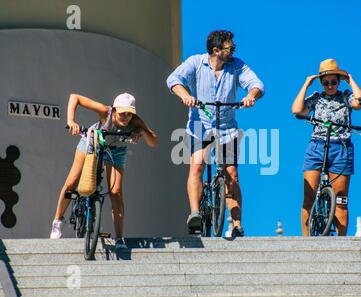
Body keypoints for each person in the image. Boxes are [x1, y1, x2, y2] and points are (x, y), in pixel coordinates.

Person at [166, 30, 265, 237]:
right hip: (199, 125)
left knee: (232, 175)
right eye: (230, 48)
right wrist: (185, 95)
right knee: (197, 166)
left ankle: (237, 224)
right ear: (216, 50)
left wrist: (250, 96)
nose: (234, 51)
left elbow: (257, 85)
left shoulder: (237, 65)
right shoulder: (196, 62)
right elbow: (174, 79)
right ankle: (195, 214)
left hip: (227, 127)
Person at [49, 93, 158, 248]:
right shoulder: (105, 112)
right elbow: (75, 97)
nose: (125, 117)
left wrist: (141, 132)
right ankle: (58, 221)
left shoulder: (135, 121)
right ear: (114, 110)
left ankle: (119, 238)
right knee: (72, 181)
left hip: (116, 151)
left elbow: (154, 141)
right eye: (122, 113)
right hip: (93, 141)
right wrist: (71, 121)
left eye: (129, 114)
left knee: (116, 193)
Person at [291, 59, 361, 236]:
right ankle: (306, 240)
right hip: (317, 146)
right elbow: (297, 110)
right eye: (326, 82)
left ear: (339, 82)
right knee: (309, 196)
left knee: (341, 199)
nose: (330, 86)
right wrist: (306, 84)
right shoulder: (316, 98)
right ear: (321, 83)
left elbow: (360, 102)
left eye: (334, 82)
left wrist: (350, 79)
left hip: (341, 147)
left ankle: (341, 242)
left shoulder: (346, 96)